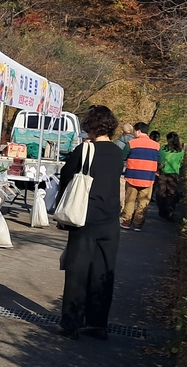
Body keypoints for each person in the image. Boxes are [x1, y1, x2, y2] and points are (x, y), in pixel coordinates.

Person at [56, 105, 125, 340]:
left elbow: (66, 177)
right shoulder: (117, 152)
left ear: (90, 125)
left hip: (84, 219)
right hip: (110, 221)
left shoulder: (84, 150)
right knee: (103, 272)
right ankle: (98, 324)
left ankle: (71, 324)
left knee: (77, 273)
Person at [120, 122, 159, 231]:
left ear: (138, 131)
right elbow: (161, 160)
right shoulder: (156, 145)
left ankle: (126, 222)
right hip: (148, 178)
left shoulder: (131, 143)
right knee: (143, 202)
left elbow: (122, 156)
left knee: (130, 201)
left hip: (132, 176)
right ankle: (138, 225)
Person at [156, 131, 185, 220]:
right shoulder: (181, 151)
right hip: (173, 174)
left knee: (161, 193)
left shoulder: (163, 148)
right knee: (171, 194)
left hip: (162, 174)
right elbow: (180, 162)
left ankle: (162, 211)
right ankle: (170, 211)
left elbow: (159, 159)